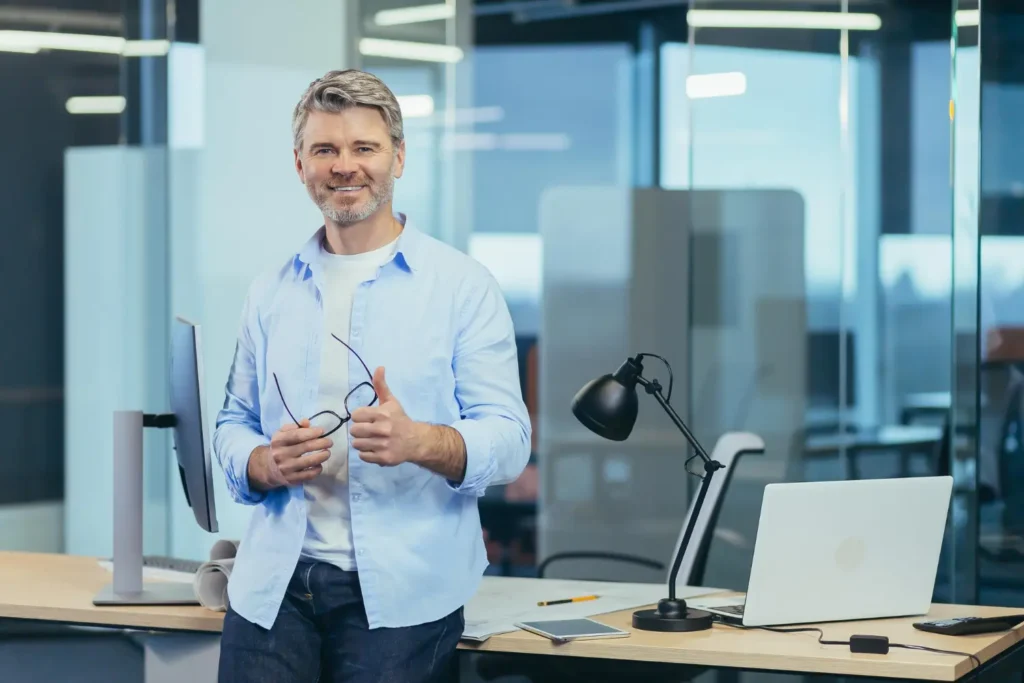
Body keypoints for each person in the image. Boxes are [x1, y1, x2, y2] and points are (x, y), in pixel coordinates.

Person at [213, 69, 531, 683]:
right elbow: (233, 423)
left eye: (365, 148)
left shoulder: (462, 287)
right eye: (325, 149)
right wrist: (263, 464)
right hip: (274, 587)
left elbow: (511, 442)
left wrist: (422, 442)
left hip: (404, 595)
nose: (344, 166)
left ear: (399, 158)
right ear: (300, 163)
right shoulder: (271, 290)